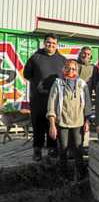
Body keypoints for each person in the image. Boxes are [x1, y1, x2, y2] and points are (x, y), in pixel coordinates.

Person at [24, 33, 67, 161]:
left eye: (54, 43)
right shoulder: (35, 58)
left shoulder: (62, 60)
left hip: (55, 99)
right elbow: (27, 74)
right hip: (38, 98)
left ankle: (53, 149)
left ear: (57, 44)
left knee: (52, 124)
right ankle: (37, 150)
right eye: (49, 42)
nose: (51, 45)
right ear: (44, 42)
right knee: (38, 124)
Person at [47, 60, 92, 176]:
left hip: (78, 122)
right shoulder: (58, 83)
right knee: (63, 148)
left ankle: (80, 174)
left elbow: (87, 104)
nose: (70, 70)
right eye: (68, 68)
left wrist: (87, 121)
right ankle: (63, 174)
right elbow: (51, 104)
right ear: (64, 68)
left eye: (73, 69)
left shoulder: (82, 84)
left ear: (76, 70)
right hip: (62, 121)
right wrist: (52, 125)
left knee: (78, 148)